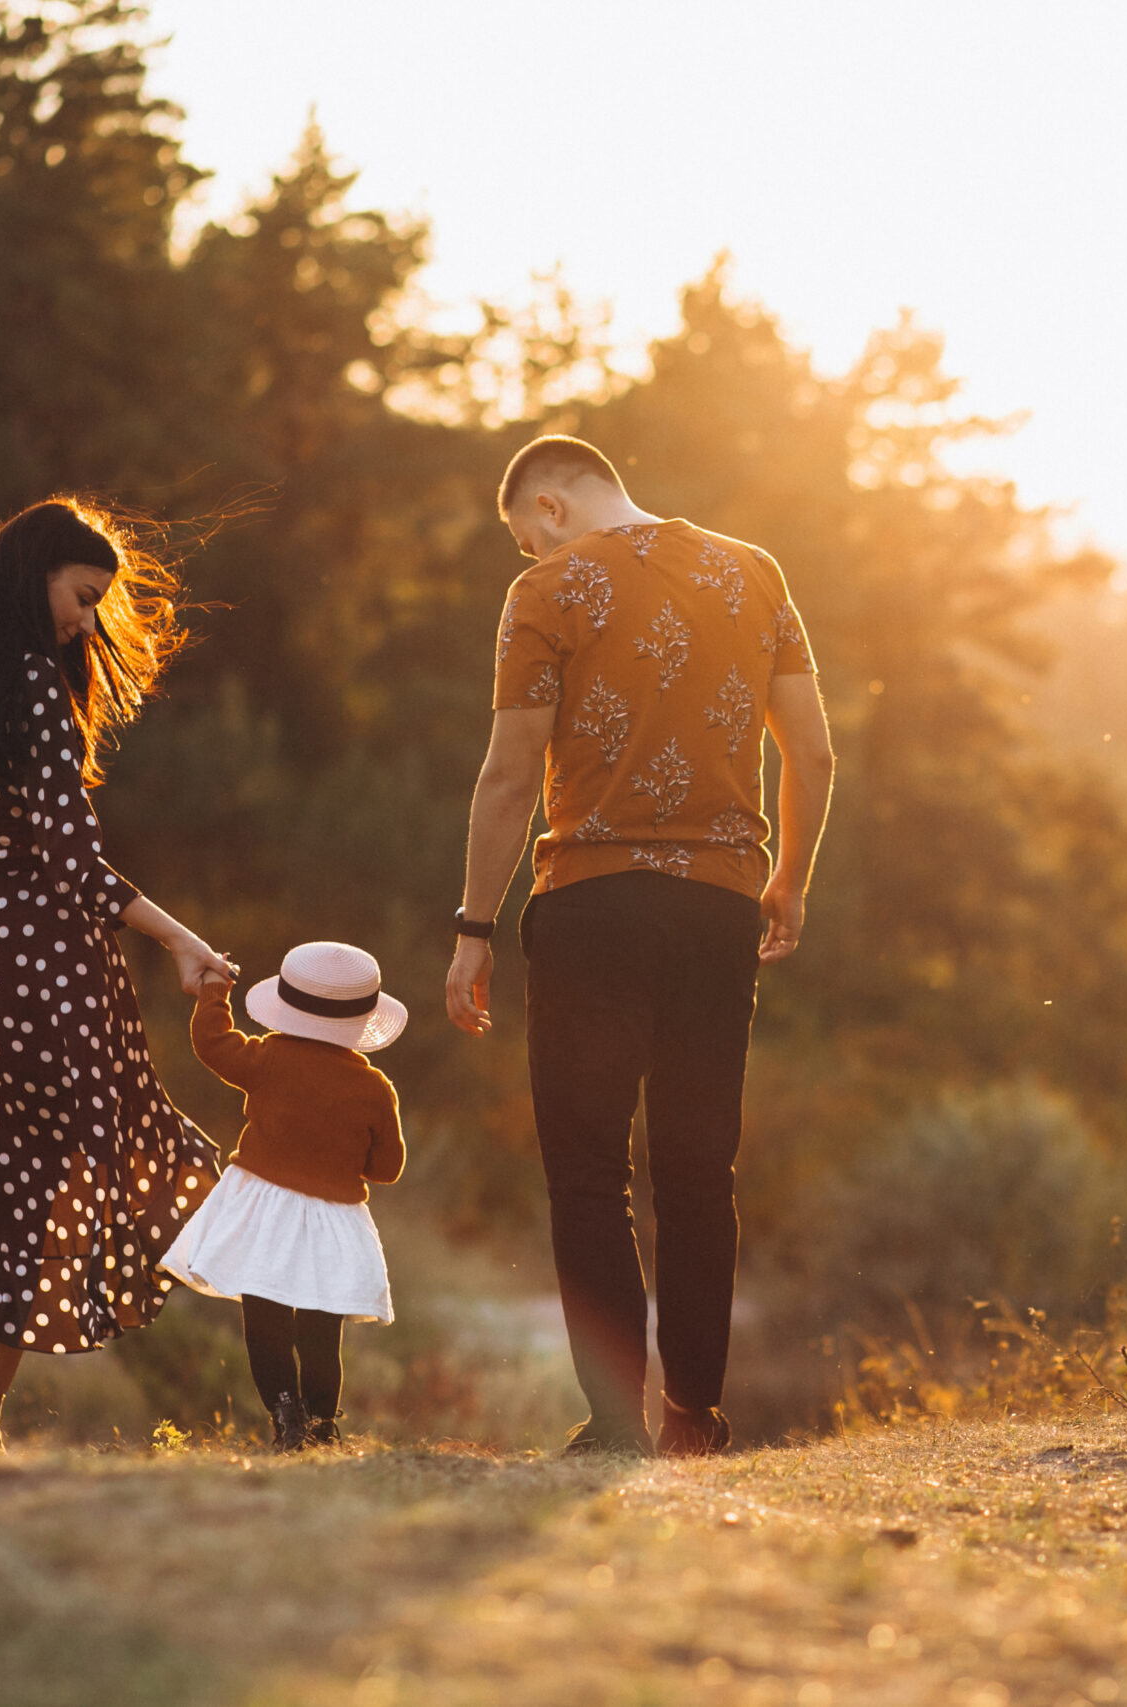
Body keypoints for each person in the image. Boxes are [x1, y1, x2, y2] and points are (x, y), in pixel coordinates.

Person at [446, 435, 836, 1456]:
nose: (527, 555)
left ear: (550, 508)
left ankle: (617, 1424)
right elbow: (814, 748)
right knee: (700, 1169)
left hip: (591, 906)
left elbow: (507, 772)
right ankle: (694, 1419)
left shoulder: (547, 592)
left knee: (587, 1172)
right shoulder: (754, 572)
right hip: (718, 908)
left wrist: (473, 927)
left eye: (524, 537)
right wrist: (787, 878)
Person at [0, 498, 233, 1450]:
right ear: (32, 570)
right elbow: (73, 865)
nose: (85, 620)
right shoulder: (32, 684)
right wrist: (176, 938)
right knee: (44, 1180)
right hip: (40, 952)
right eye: (81, 597)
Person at [158, 940, 408, 1452]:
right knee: (321, 1331)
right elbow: (388, 1169)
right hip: (334, 1221)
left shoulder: (268, 1056)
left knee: (265, 1322)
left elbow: (213, 1044)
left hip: (261, 1210)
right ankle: (322, 1426)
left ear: (288, 1006)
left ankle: (285, 1416)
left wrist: (213, 992)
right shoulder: (375, 1087)